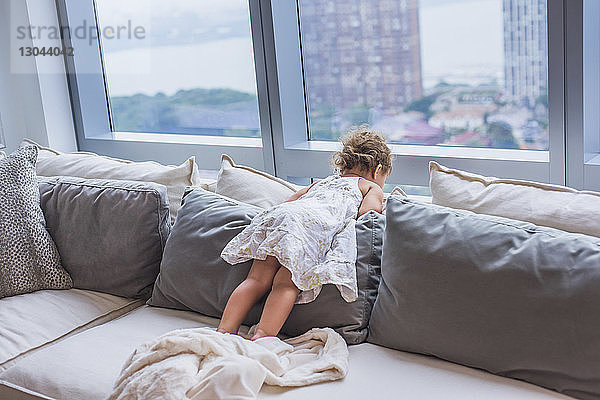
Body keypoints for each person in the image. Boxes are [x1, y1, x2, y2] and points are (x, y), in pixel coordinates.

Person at [218, 127, 393, 340]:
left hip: (285, 218)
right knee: (286, 283)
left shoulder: (322, 183)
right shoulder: (369, 187)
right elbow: (369, 213)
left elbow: (290, 201)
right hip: (307, 228)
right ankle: (262, 335)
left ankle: (224, 330)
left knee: (256, 279)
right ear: (378, 170)